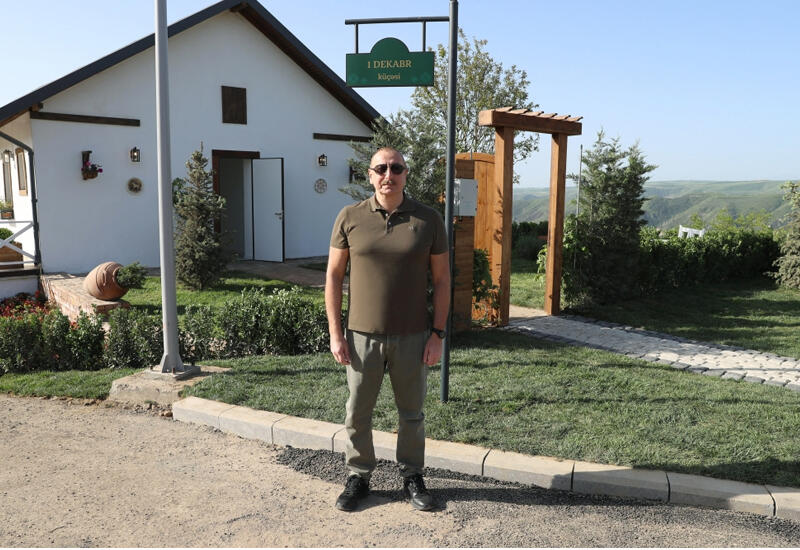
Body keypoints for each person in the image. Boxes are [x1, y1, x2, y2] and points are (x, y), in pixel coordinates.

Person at [325, 146, 450, 512]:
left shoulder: (428, 220)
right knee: (357, 412)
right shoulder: (350, 217)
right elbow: (333, 277)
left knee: (411, 413)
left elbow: (442, 280)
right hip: (361, 337)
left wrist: (437, 334)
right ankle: (358, 476)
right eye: (381, 168)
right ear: (370, 175)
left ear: (405, 174)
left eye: (396, 168)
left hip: (413, 337)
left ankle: (412, 475)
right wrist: (336, 333)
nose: (388, 175)